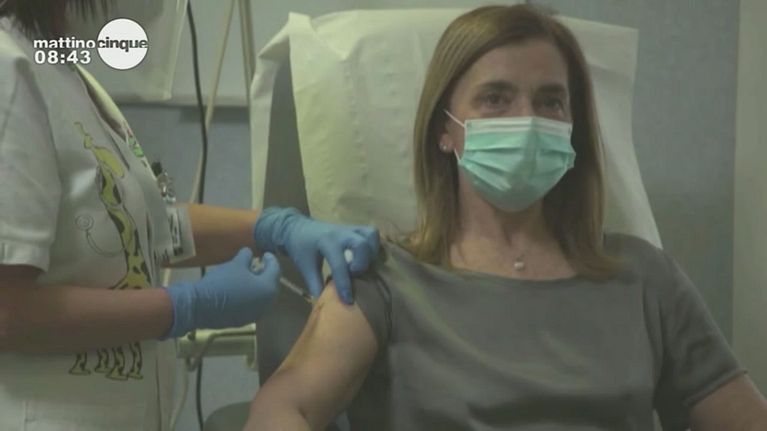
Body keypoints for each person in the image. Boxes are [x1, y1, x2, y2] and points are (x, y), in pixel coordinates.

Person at [245, 5, 767, 430]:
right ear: (444, 130)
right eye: (496, 98)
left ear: (574, 127)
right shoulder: (383, 276)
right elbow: (281, 410)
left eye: (550, 101)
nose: (527, 120)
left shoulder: (644, 277)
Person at [0, 1, 379, 430]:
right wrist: (184, 306)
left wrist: (270, 229)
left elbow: (133, 228)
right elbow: (7, 311)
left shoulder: (63, 71)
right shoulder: (9, 71)